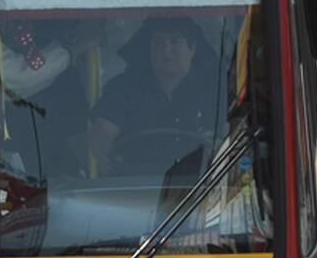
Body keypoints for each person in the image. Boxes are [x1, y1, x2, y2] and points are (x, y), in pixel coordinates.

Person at [87, 15, 221, 176]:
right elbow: (103, 132)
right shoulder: (125, 89)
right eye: (158, 42)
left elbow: (232, 134)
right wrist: (102, 153)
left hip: (204, 186)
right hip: (133, 188)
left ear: (192, 48)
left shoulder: (216, 90)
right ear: (149, 49)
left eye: (175, 41)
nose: (166, 50)